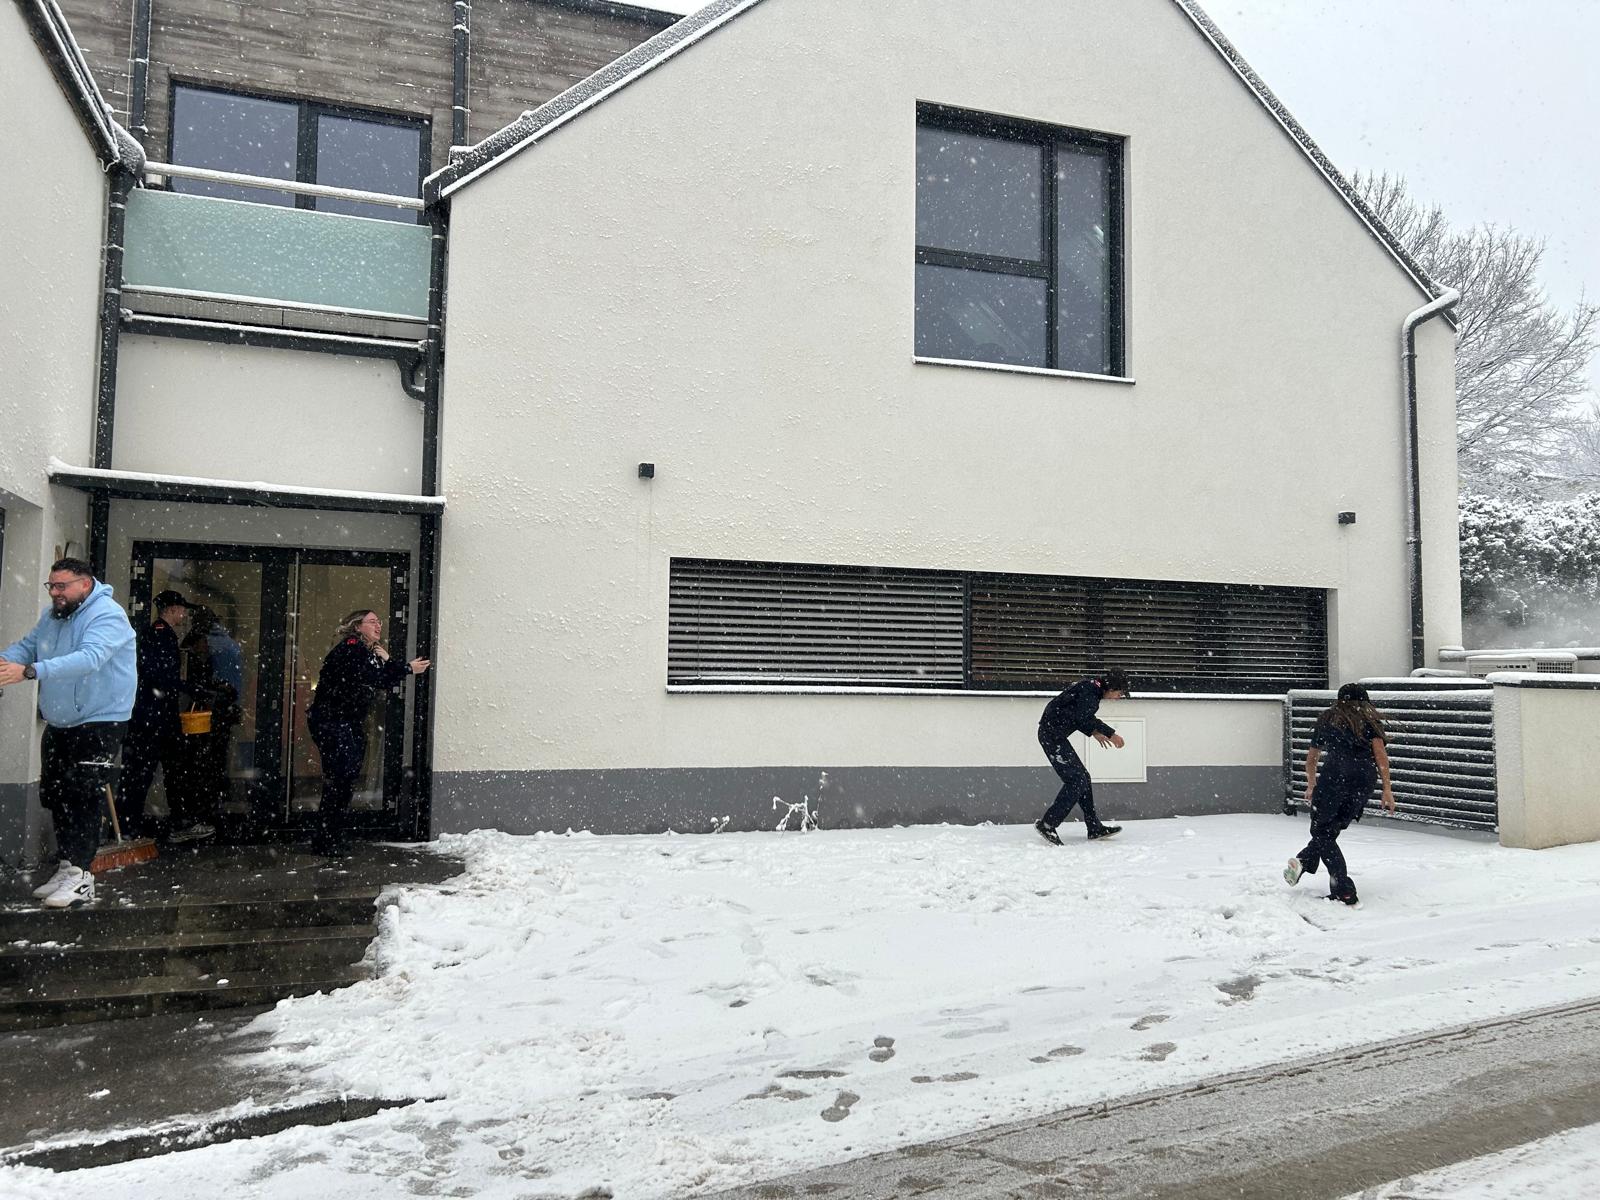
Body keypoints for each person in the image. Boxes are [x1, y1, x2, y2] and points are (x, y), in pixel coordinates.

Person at [0, 558, 136, 908]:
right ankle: (67, 866)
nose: (55, 593)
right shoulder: (53, 617)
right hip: (60, 722)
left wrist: (30, 671)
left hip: (99, 721)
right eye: (52, 586)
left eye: (62, 586)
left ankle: (82, 875)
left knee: (83, 796)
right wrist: (5, 663)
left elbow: (89, 658)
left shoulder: (107, 615)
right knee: (57, 794)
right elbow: (28, 646)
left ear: (85, 584)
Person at [306, 609, 430, 856]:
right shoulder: (352, 649)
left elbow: (384, 679)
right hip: (333, 722)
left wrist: (390, 660)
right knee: (339, 781)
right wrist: (406, 668)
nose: (378, 625)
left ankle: (330, 836)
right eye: (372, 621)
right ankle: (326, 839)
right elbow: (377, 678)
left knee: (344, 780)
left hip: (346, 723)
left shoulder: (367, 652)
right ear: (357, 627)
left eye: (379, 622)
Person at [1284, 682, 1395, 905]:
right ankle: (1305, 861)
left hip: (1333, 780)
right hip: (1363, 782)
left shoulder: (1328, 720)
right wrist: (1387, 789)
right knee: (1331, 829)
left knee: (1321, 831)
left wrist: (1312, 784)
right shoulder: (1371, 722)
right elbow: (1381, 756)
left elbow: (1311, 758)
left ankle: (1343, 890)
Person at [168, 605, 242, 843]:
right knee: (212, 763)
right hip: (220, 712)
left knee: (201, 765)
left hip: (209, 714)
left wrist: (203, 691)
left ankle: (200, 814)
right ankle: (208, 810)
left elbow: (208, 679)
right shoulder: (227, 643)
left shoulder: (211, 644)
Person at [118, 590, 189, 839]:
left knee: (159, 770)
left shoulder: (157, 634)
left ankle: (133, 825)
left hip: (153, 715)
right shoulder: (160, 635)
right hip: (154, 717)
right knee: (145, 772)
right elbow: (161, 677)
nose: (184, 615)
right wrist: (190, 688)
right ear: (172, 609)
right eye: (182, 609)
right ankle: (129, 827)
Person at [1034, 668, 1130, 845]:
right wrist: (1110, 733)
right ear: (1111, 688)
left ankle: (1094, 827)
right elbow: (1082, 717)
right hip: (1051, 736)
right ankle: (1048, 824)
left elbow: (1077, 715)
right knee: (1077, 781)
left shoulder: (1091, 689)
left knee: (1083, 778)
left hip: (1055, 735)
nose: (1118, 697)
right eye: (1119, 693)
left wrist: (1094, 732)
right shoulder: (1090, 692)